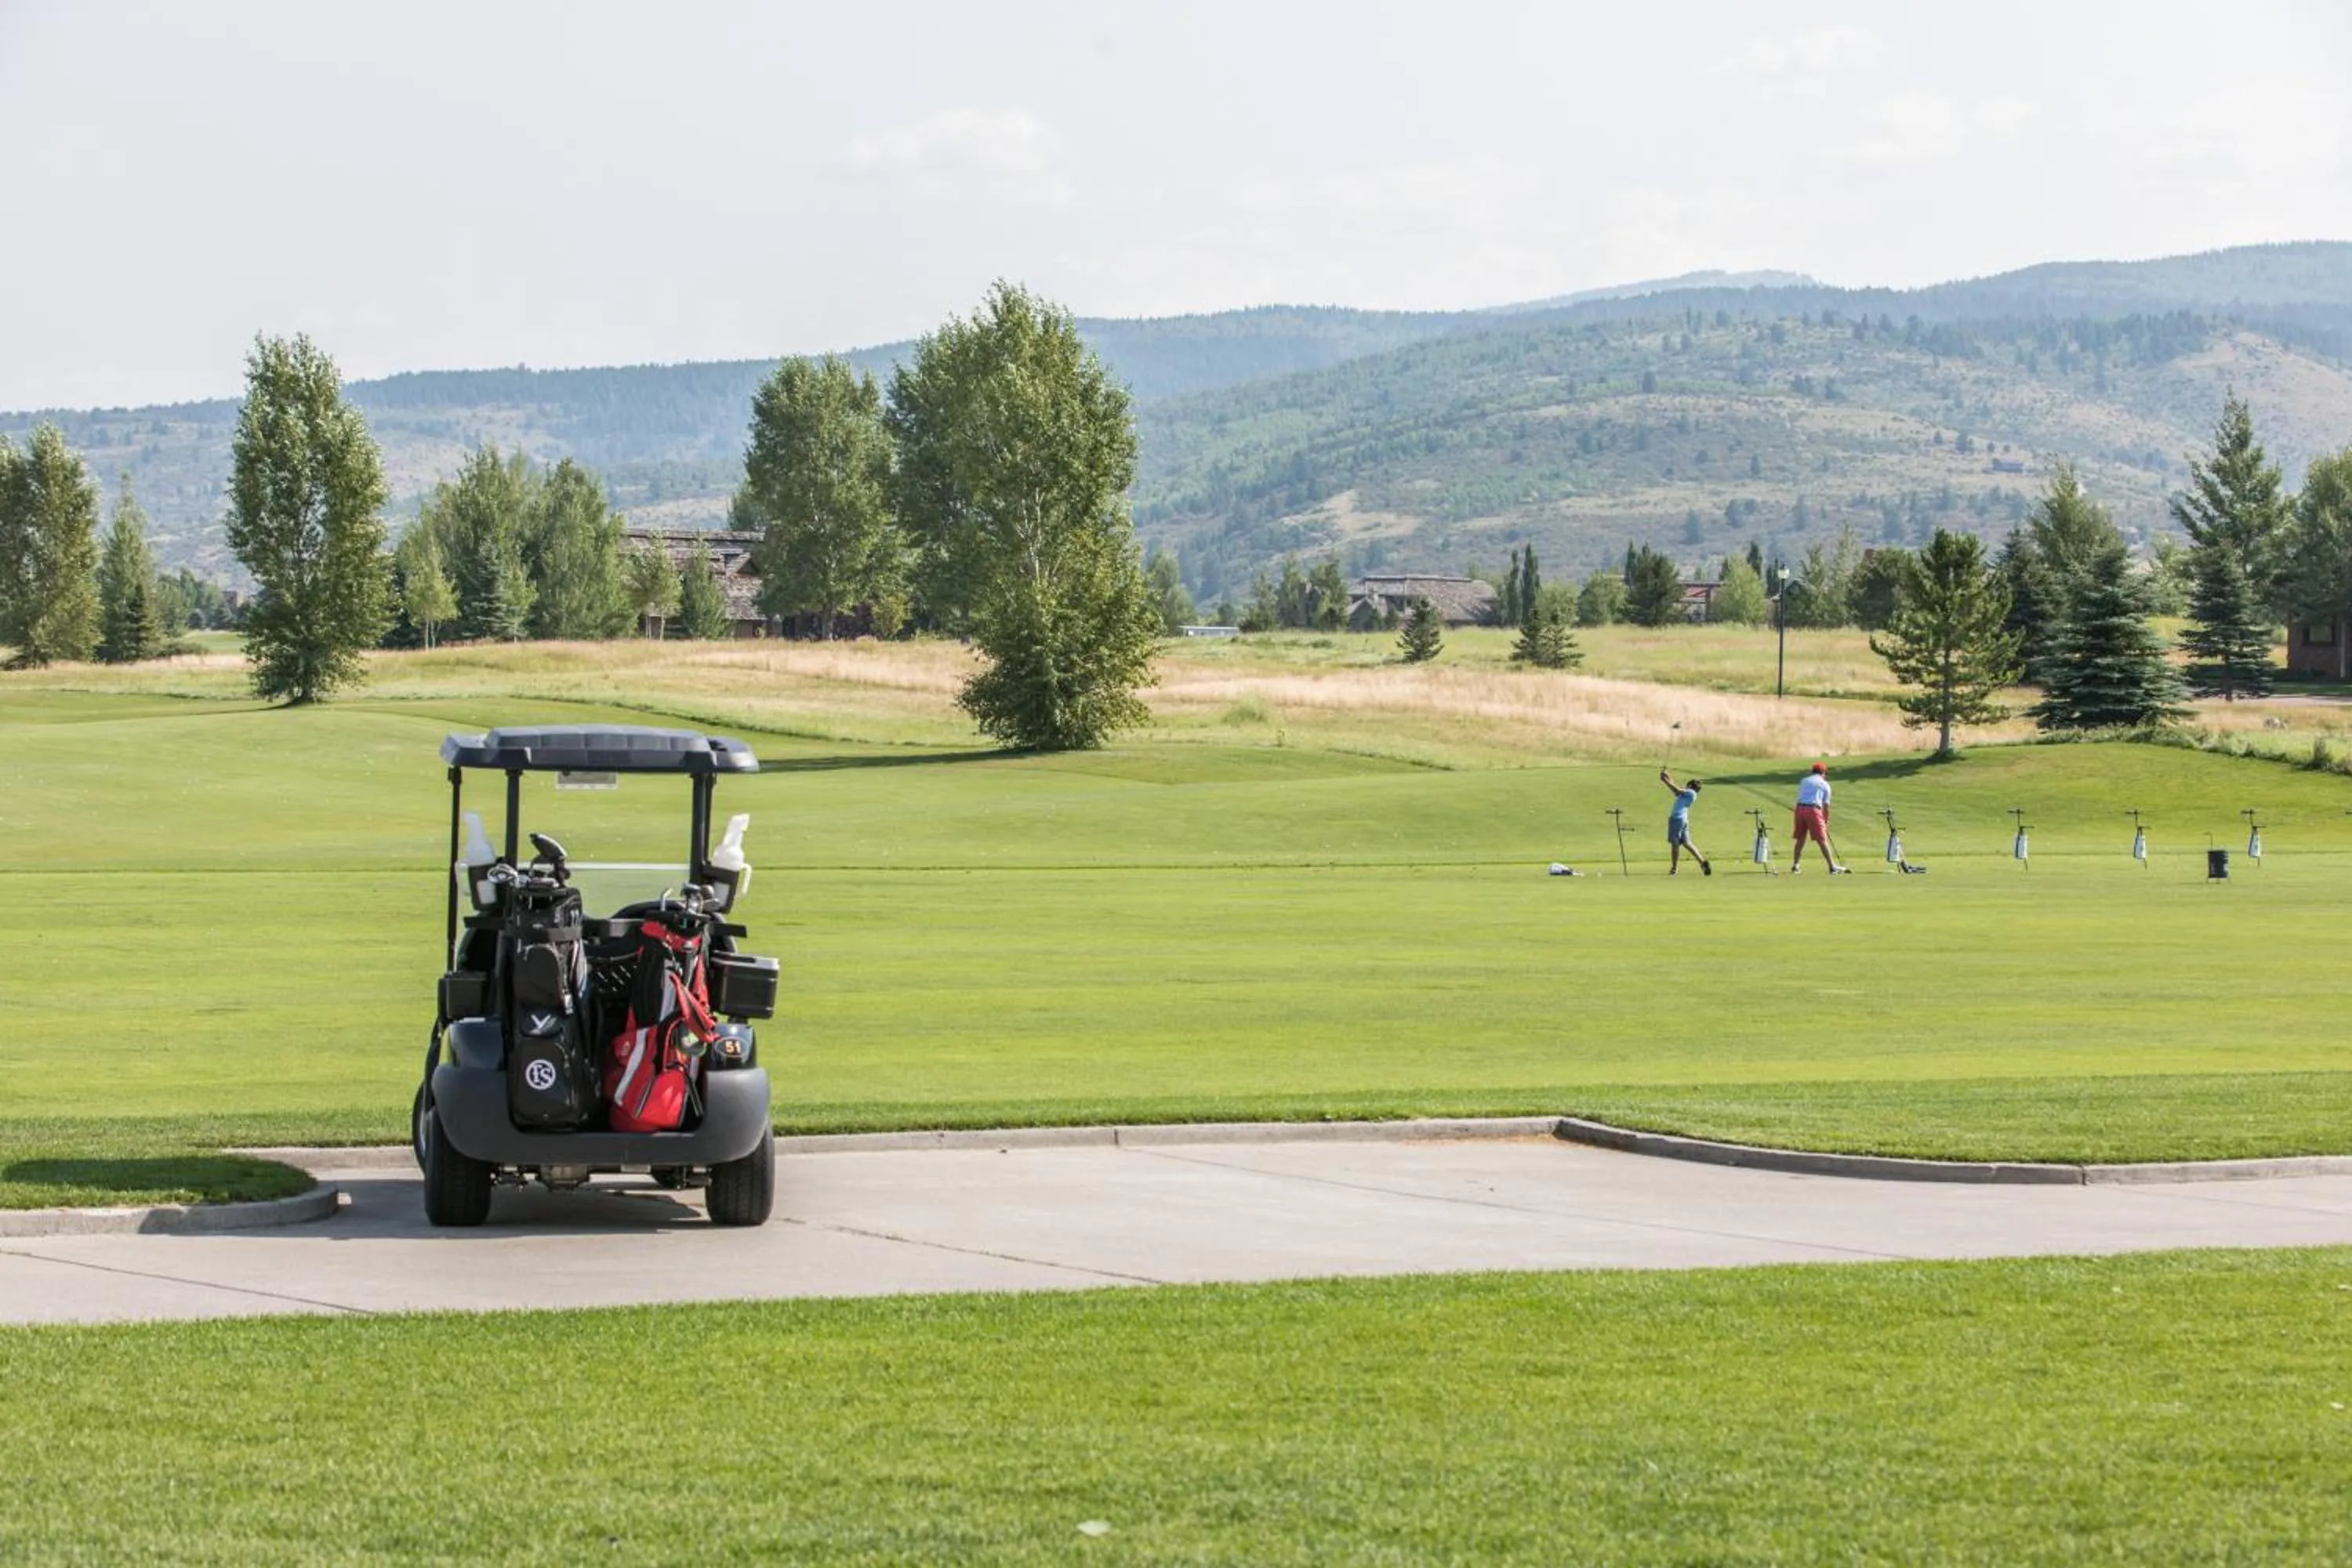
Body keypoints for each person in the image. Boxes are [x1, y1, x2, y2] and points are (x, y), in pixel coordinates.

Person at [1791, 762, 1847, 874]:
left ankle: (1796, 866)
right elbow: (1826, 806)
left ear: (1812, 771)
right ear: (1824, 773)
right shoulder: (1825, 785)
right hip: (1813, 810)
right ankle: (1832, 867)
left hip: (1799, 809)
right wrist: (1825, 821)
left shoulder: (1804, 781)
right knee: (1822, 839)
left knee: (1800, 839)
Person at [1658, 768, 1710, 876]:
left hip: (1676, 819)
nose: (1685, 787)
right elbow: (1675, 791)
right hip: (1683, 820)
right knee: (1687, 843)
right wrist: (1667, 776)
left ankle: (1674, 868)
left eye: (1687, 786)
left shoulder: (1691, 792)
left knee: (1675, 844)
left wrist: (1665, 780)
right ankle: (1702, 863)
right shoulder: (1689, 794)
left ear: (1690, 786)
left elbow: (1677, 790)